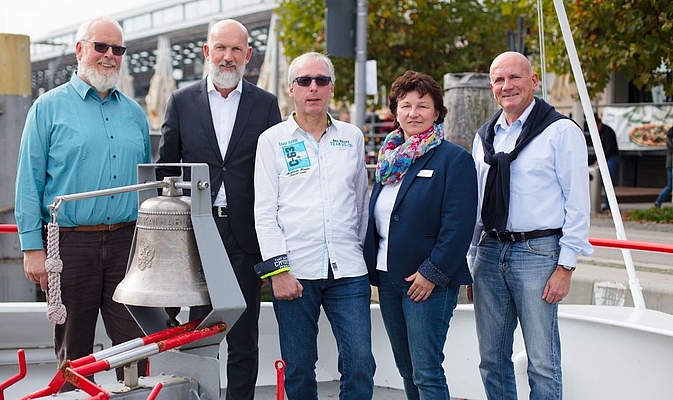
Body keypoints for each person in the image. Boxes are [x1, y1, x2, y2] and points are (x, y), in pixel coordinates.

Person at [15, 17, 151, 390]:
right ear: (80, 50)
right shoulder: (47, 108)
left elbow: (146, 185)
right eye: (101, 47)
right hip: (70, 245)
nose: (109, 56)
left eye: (117, 49)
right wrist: (32, 248)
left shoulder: (135, 115)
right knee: (73, 349)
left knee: (135, 343)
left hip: (127, 242)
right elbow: (28, 181)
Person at [155, 19, 282, 400]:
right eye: (221, 48)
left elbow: (274, 170)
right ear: (207, 52)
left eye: (236, 50)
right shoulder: (180, 101)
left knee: (243, 337)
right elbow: (166, 170)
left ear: (248, 56)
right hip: (197, 238)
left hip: (245, 237)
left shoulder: (266, 104)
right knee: (196, 333)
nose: (228, 57)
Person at [467, 51, 593, 400]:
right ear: (492, 87)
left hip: (537, 253)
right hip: (490, 253)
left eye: (515, 77)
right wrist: (471, 260)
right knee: (491, 358)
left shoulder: (560, 131)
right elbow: (477, 205)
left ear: (533, 81)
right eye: (499, 80)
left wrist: (565, 266)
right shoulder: (485, 137)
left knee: (542, 360)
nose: (507, 86)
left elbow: (578, 205)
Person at [253, 52, 375, 399]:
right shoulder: (272, 141)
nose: (313, 88)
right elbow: (264, 212)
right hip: (295, 271)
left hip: (348, 271)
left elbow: (360, 203)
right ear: (291, 88)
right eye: (304, 81)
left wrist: (355, 252)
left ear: (332, 89)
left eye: (321, 80)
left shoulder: (351, 137)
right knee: (299, 367)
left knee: (360, 362)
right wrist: (277, 272)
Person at [363, 70, 477, 399]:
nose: (413, 113)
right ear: (395, 111)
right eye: (406, 105)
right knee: (406, 368)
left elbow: (458, 225)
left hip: (426, 282)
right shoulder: (389, 160)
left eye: (422, 106)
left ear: (437, 112)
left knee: (426, 370)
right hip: (388, 278)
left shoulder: (454, 159)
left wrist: (432, 273)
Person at [595, 114, 620, 211]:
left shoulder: (608, 132)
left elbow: (610, 148)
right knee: (604, 181)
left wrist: (601, 158)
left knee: (608, 180)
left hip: (612, 157)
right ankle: (606, 203)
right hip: (605, 157)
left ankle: (609, 205)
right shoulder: (600, 132)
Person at [654, 126, 673, 208]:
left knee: (670, 185)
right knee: (670, 185)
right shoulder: (671, 139)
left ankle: (659, 201)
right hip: (671, 164)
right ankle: (659, 201)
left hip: (669, 164)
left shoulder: (669, 137)